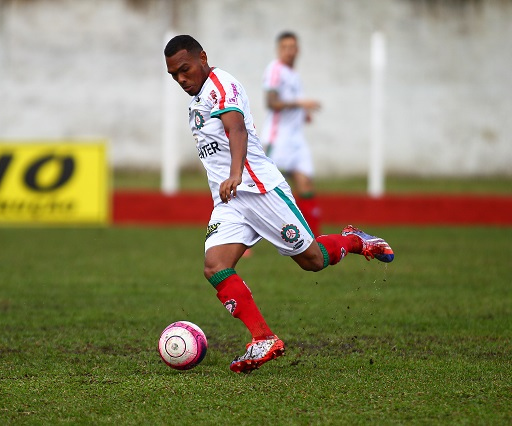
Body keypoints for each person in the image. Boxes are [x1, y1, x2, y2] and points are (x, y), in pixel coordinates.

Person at [163, 35, 394, 374]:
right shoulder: (197, 97)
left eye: (185, 69)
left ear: (202, 57)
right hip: (231, 200)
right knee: (215, 265)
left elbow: (237, 129)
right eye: (174, 75)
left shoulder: (222, 86)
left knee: (312, 260)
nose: (181, 79)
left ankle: (355, 240)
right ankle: (263, 338)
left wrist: (236, 173)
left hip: (259, 189)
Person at [261, 31, 322, 236]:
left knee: (305, 183)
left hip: (296, 139)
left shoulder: (294, 75)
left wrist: (303, 113)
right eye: (285, 47)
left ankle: (313, 242)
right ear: (279, 50)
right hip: (278, 138)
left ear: (298, 50)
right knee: (260, 189)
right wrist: (300, 103)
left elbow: (291, 102)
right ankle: (240, 240)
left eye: (292, 47)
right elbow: (271, 102)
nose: (289, 51)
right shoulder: (275, 70)